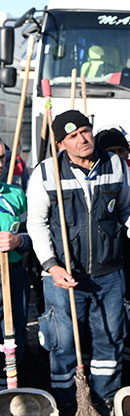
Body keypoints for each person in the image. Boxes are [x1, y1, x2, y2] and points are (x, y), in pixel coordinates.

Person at [29, 110, 130, 409]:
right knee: (64, 348)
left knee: (109, 343)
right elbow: (36, 223)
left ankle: (104, 403)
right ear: (61, 144)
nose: (82, 139)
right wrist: (51, 265)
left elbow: (128, 210)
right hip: (63, 277)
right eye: (73, 136)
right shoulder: (46, 173)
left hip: (109, 275)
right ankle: (68, 406)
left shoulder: (116, 165)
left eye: (85, 131)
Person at [0, 138, 31, 389]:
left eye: (1, 158)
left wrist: (18, 239)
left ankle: (10, 390)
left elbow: (32, 234)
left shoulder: (15, 194)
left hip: (13, 275)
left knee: (14, 334)